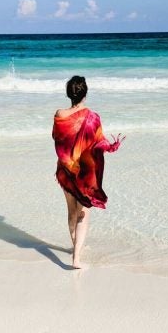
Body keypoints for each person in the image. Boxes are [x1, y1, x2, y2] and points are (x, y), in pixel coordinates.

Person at [52, 75, 124, 269]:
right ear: (85, 93)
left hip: (65, 169)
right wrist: (111, 146)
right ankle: (76, 258)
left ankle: (74, 246)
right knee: (83, 213)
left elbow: (56, 138)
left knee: (71, 211)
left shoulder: (59, 114)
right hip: (84, 174)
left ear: (69, 94)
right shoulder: (93, 117)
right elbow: (98, 143)